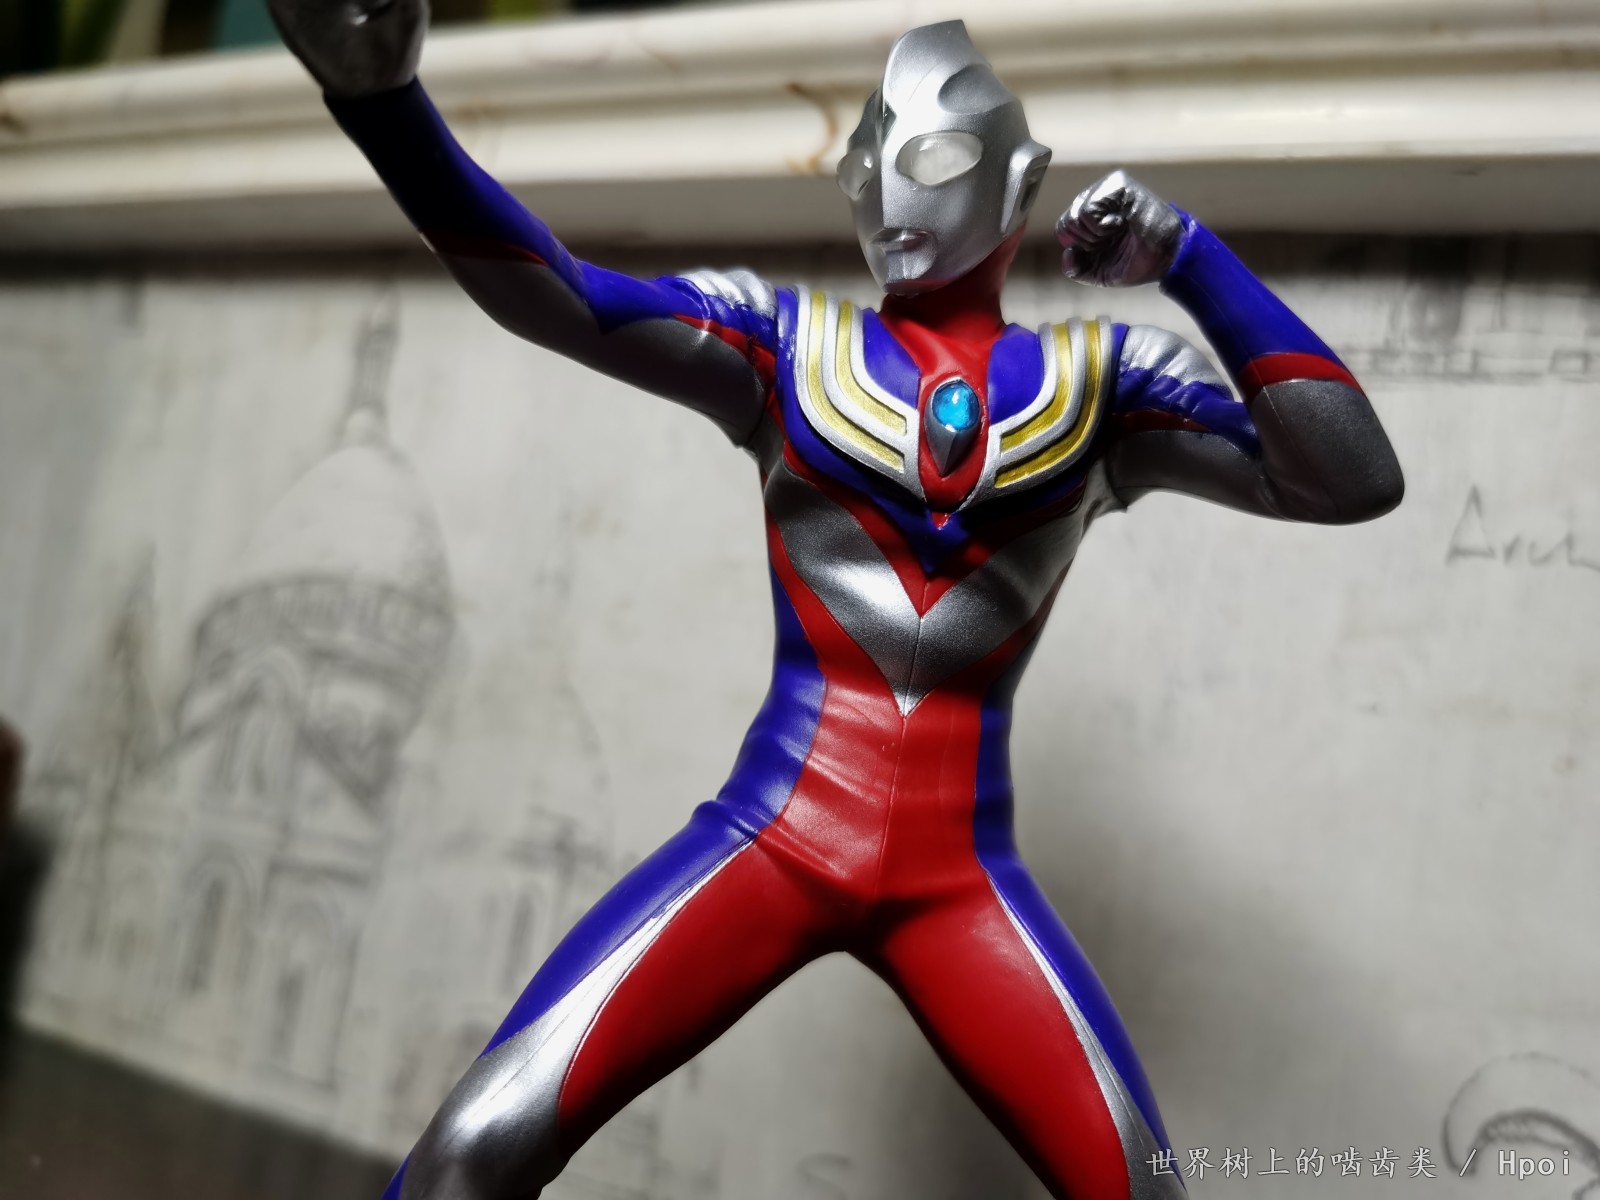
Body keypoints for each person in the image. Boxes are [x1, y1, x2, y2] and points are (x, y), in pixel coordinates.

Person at [266, 6, 1405, 1198]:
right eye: (865, 164)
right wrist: (384, 109)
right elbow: (562, 297)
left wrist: (1187, 256)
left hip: (960, 882)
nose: (888, 194)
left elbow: (1348, 476)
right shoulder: (784, 345)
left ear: (1019, 180)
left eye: (930, 157)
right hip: (779, 832)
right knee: (473, 1150)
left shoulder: (1106, 383)